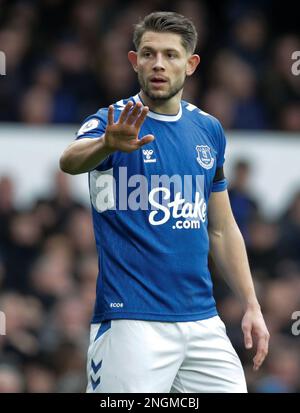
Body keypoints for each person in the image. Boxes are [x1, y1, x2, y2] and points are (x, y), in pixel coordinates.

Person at [59, 11, 269, 393]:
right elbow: (70, 160)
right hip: (132, 320)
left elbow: (221, 229)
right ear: (133, 61)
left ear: (190, 64)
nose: (158, 63)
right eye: (148, 53)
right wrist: (107, 143)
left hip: (202, 321)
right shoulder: (113, 121)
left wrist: (251, 304)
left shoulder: (208, 129)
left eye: (170, 55)